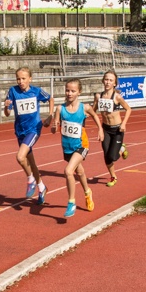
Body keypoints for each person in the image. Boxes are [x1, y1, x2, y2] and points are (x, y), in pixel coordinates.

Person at [51, 78, 102, 218]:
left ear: (79, 92)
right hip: (67, 147)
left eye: (73, 91)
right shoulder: (60, 109)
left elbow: (95, 115)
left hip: (81, 145)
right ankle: (87, 192)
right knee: (79, 172)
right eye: (67, 90)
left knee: (68, 171)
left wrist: (100, 129)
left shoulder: (84, 108)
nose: (69, 93)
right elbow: (54, 129)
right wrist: (54, 127)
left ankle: (71, 202)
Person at [4, 66, 54, 203]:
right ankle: (42, 187)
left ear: (30, 79)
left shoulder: (36, 91)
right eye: (18, 79)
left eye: (23, 78)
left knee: (20, 157)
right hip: (20, 131)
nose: (20, 81)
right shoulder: (13, 91)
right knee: (31, 163)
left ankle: (30, 179)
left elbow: (50, 99)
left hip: (33, 129)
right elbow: (7, 113)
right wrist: (6, 106)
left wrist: (50, 116)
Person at [93, 70, 131, 187]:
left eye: (110, 80)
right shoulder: (98, 96)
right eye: (106, 79)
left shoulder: (117, 97)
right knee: (106, 155)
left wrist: (124, 123)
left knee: (113, 156)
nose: (108, 82)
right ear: (103, 81)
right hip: (105, 129)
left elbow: (128, 109)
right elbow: (93, 111)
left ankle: (122, 148)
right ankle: (113, 176)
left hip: (117, 130)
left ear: (114, 83)